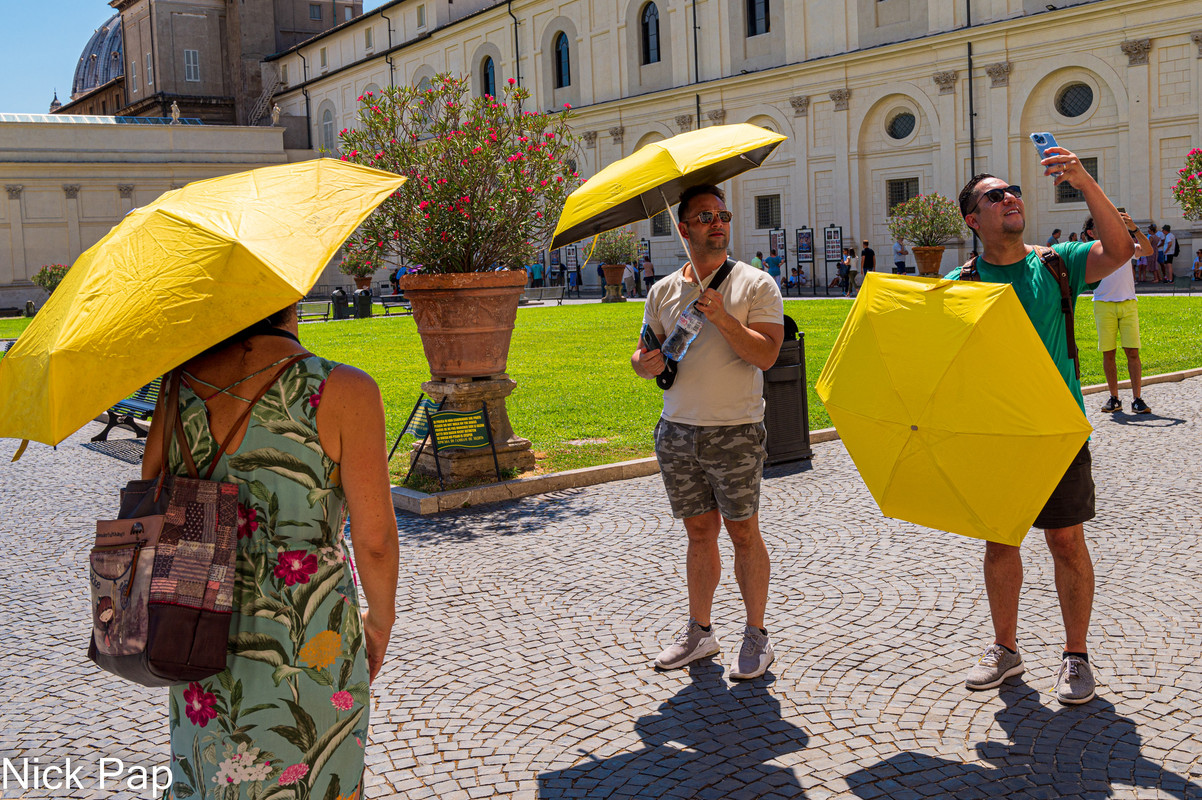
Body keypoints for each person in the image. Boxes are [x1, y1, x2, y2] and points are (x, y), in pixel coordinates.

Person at [142, 304, 399, 796]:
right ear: (291, 299)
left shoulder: (176, 388)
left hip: (196, 625)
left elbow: (148, 495)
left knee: (217, 777)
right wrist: (379, 620)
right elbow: (376, 541)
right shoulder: (345, 390)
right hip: (310, 627)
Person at [950, 147, 1133, 705]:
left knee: (1066, 540)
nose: (1011, 199)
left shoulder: (1056, 261)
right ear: (972, 219)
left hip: (1057, 428)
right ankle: (1005, 651)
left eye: (1015, 192)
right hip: (997, 434)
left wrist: (1082, 180)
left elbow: (1121, 250)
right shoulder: (961, 282)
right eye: (996, 195)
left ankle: (1075, 656)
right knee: (1000, 541)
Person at [632, 183, 784, 681]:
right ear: (683, 229)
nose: (717, 223)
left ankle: (757, 635)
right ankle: (701, 632)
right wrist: (644, 363)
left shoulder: (756, 284)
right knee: (699, 533)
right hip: (677, 431)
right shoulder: (662, 290)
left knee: (743, 532)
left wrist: (722, 317)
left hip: (735, 430)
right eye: (704, 217)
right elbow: (644, 352)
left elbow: (766, 354)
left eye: (722, 215)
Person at [1087, 214, 1153, 415]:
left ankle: (1137, 398)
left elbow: (1148, 251)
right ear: (1091, 232)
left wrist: (1134, 228)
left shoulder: (1124, 245)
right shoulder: (1090, 250)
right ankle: (1114, 398)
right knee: (1109, 354)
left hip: (1128, 304)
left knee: (1133, 352)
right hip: (1103, 305)